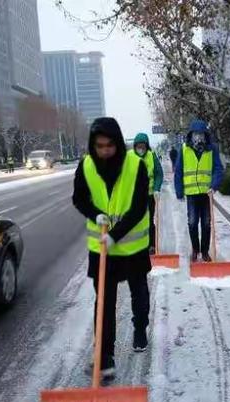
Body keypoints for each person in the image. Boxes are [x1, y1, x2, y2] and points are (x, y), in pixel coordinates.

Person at [73, 117, 151, 380]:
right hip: (101, 250)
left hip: (132, 247)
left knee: (139, 292)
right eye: (99, 146)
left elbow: (140, 206)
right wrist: (95, 214)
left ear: (118, 142)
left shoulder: (136, 166)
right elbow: (79, 198)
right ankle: (104, 358)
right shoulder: (85, 166)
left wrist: (116, 235)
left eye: (109, 145)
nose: (104, 150)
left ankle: (140, 328)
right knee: (104, 303)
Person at [174, 120, 224, 262]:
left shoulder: (212, 149)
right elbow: (178, 171)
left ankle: (205, 251)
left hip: (206, 193)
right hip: (191, 194)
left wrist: (214, 186)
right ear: (191, 135)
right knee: (192, 222)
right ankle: (195, 249)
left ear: (205, 135)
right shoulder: (184, 149)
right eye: (196, 134)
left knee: (207, 223)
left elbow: (218, 169)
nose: (199, 138)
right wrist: (179, 190)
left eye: (201, 135)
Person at [132, 133, 164, 254]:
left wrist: (156, 188)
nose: (141, 149)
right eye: (138, 146)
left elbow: (159, 174)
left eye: (143, 146)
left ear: (146, 146)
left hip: (149, 195)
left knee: (149, 221)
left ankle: (151, 245)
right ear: (135, 147)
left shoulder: (152, 156)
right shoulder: (129, 157)